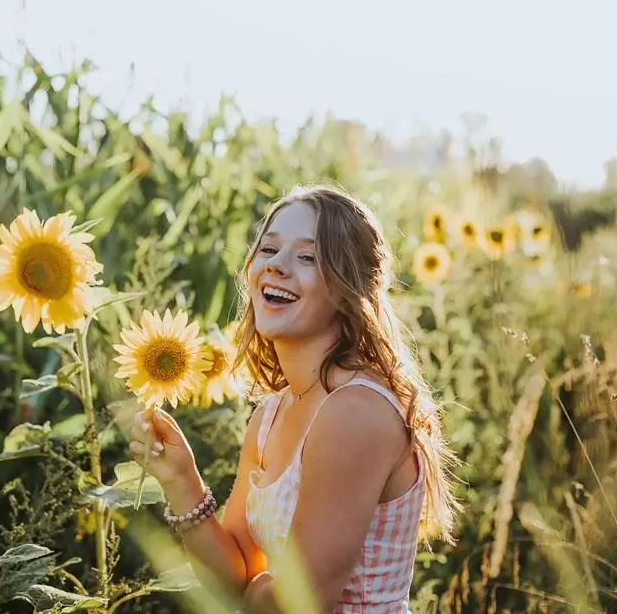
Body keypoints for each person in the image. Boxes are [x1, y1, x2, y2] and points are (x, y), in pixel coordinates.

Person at [126, 184, 461, 613]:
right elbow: (237, 574)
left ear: (346, 290)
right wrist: (181, 480)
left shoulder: (355, 411)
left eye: (307, 257)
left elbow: (299, 603)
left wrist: (262, 590)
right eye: (268, 249)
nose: (276, 267)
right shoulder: (272, 413)